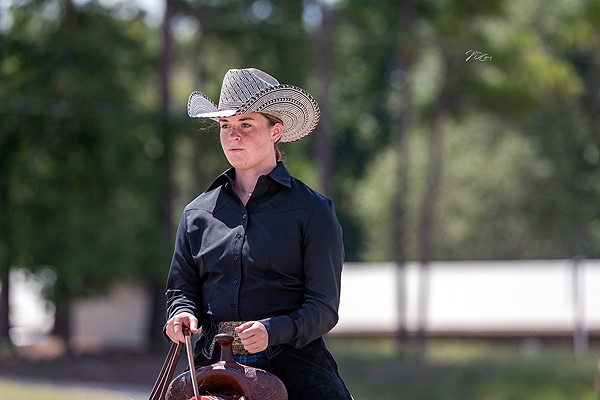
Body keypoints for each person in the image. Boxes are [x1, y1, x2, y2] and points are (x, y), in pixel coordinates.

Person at [163, 68, 352, 400]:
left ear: (275, 131)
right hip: (211, 366)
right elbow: (181, 290)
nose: (233, 135)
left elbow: (323, 308)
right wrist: (181, 314)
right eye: (225, 126)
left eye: (246, 124)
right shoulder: (197, 213)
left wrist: (272, 330)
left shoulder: (313, 211)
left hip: (296, 367)